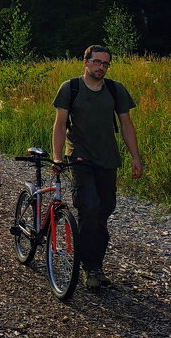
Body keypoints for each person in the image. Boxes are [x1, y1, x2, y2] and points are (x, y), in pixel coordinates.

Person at [51, 45, 143, 290]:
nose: (101, 67)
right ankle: (89, 267)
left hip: (108, 159)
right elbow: (60, 125)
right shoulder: (70, 88)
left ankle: (96, 263)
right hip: (79, 157)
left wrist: (135, 157)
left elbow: (126, 125)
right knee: (89, 207)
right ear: (85, 62)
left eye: (105, 63)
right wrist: (57, 157)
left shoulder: (115, 89)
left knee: (104, 211)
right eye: (97, 62)